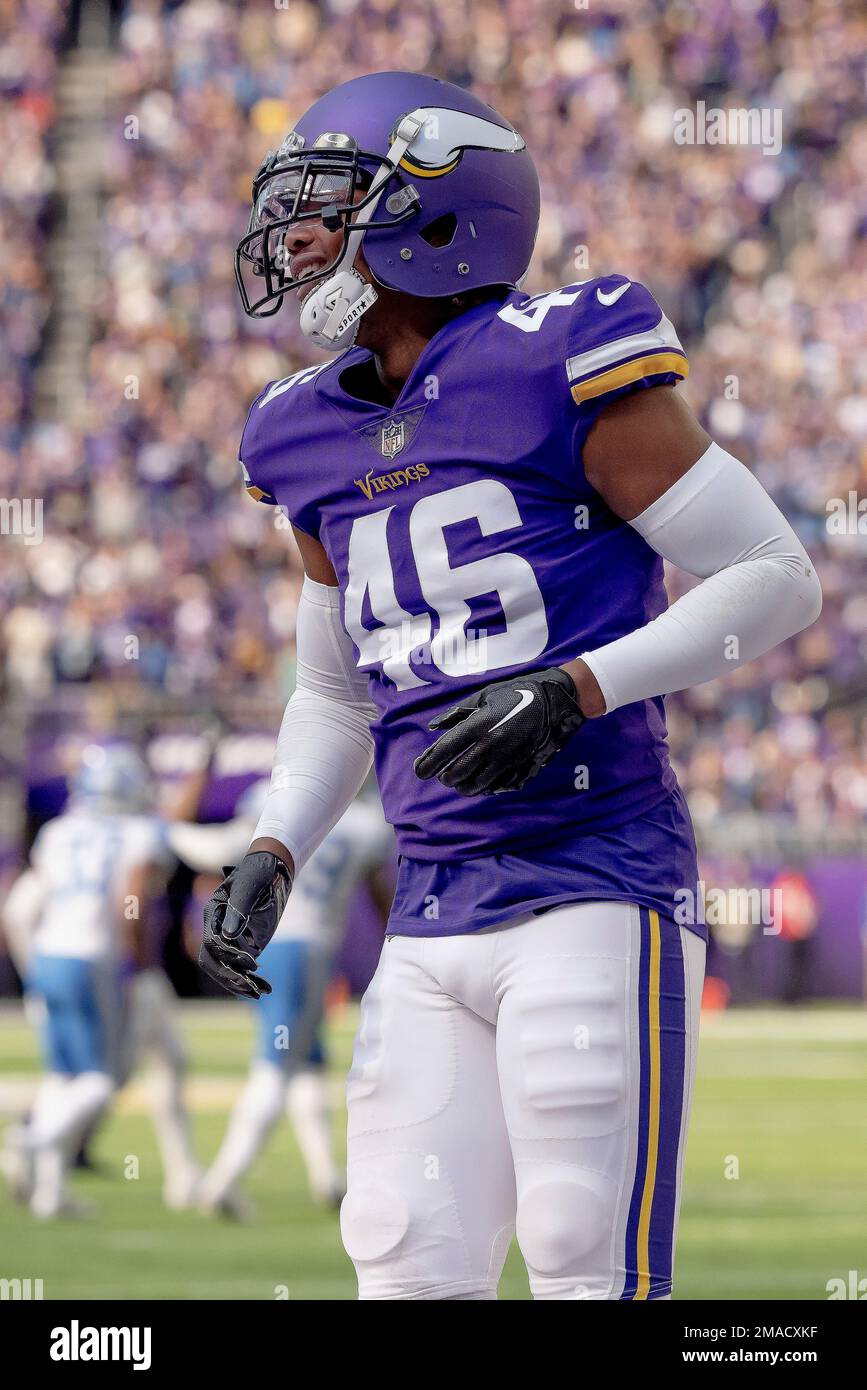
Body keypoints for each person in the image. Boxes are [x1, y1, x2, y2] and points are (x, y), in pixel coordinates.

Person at [202, 72, 822, 1299]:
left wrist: (576, 688)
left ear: (435, 214)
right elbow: (334, 693)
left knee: (582, 1250)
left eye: (327, 207)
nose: (296, 238)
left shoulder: (557, 358)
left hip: (592, 876)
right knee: (402, 1257)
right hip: (430, 909)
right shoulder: (297, 431)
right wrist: (276, 841)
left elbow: (774, 574)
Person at [170, 783, 392, 1212]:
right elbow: (380, 892)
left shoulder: (278, 801)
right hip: (310, 949)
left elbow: (221, 849)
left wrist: (168, 829)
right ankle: (226, 1182)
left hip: (273, 942)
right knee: (282, 1063)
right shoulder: (366, 823)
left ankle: (322, 1175)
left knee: (300, 1059)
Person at [1, 745, 200, 1216]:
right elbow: (130, 907)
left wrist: (33, 974)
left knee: (64, 1075)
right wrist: (137, 968)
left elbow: (21, 909)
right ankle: (31, 1138)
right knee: (101, 1078)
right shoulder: (138, 834)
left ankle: (51, 1192)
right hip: (96, 958)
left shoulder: (57, 832)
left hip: (49, 953)